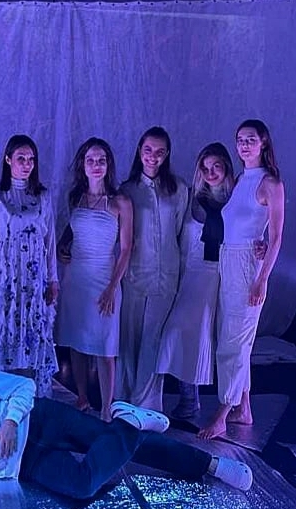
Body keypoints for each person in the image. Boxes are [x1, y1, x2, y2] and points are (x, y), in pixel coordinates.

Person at [0, 326, 253, 501]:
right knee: (84, 483)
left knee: (121, 443)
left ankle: (210, 465)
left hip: (39, 419)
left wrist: (10, 420)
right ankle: (129, 422)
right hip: (17, 461)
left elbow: (23, 387)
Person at [199, 120, 284, 439]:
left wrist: (262, 279)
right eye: (240, 140)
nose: (244, 145)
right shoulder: (239, 181)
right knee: (233, 338)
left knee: (234, 343)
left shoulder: (270, 183)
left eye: (250, 139)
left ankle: (223, 412)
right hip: (228, 261)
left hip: (249, 266)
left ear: (263, 142)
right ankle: (243, 408)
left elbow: (276, 236)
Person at [156, 143, 235, 418]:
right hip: (188, 271)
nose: (210, 172)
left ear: (226, 167)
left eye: (216, 167)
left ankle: (204, 400)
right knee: (176, 333)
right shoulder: (191, 197)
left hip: (216, 274)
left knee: (201, 336)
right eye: (205, 167)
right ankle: (188, 397)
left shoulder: (234, 201)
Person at [57, 138, 133, 421]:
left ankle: (106, 407)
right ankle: (82, 396)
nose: (96, 165)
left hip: (104, 277)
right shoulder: (75, 198)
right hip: (76, 277)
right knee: (76, 340)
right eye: (90, 160)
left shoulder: (120, 202)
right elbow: (70, 232)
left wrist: (113, 287)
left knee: (105, 346)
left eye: (101, 160)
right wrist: (62, 248)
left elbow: (126, 248)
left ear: (108, 164)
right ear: (83, 165)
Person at [116, 126, 189, 411]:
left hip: (166, 275)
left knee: (152, 341)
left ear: (167, 154)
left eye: (159, 152)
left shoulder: (179, 189)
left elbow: (180, 232)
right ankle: (122, 401)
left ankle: (145, 405)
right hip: (134, 274)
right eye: (148, 150)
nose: (153, 157)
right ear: (139, 151)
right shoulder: (127, 190)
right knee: (128, 340)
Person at [0, 135, 58, 397]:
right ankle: (4, 393)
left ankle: (35, 395)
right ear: (8, 160)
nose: (27, 164)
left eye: (31, 159)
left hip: (35, 275)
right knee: (7, 325)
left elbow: (50, 240)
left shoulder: (43, 196)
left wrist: (54, 279)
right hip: (7, 274)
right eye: (21, 158)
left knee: (36, 325)